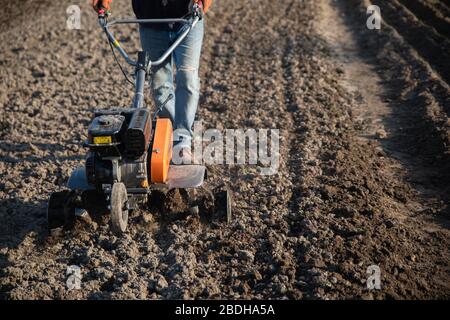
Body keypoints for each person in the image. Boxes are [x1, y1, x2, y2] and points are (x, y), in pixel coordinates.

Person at [92, 0, 212, 164]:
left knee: (188, 77)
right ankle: (168, 136)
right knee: (159, 82)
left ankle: (182, 140)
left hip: (188, 18)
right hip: (151, 21)